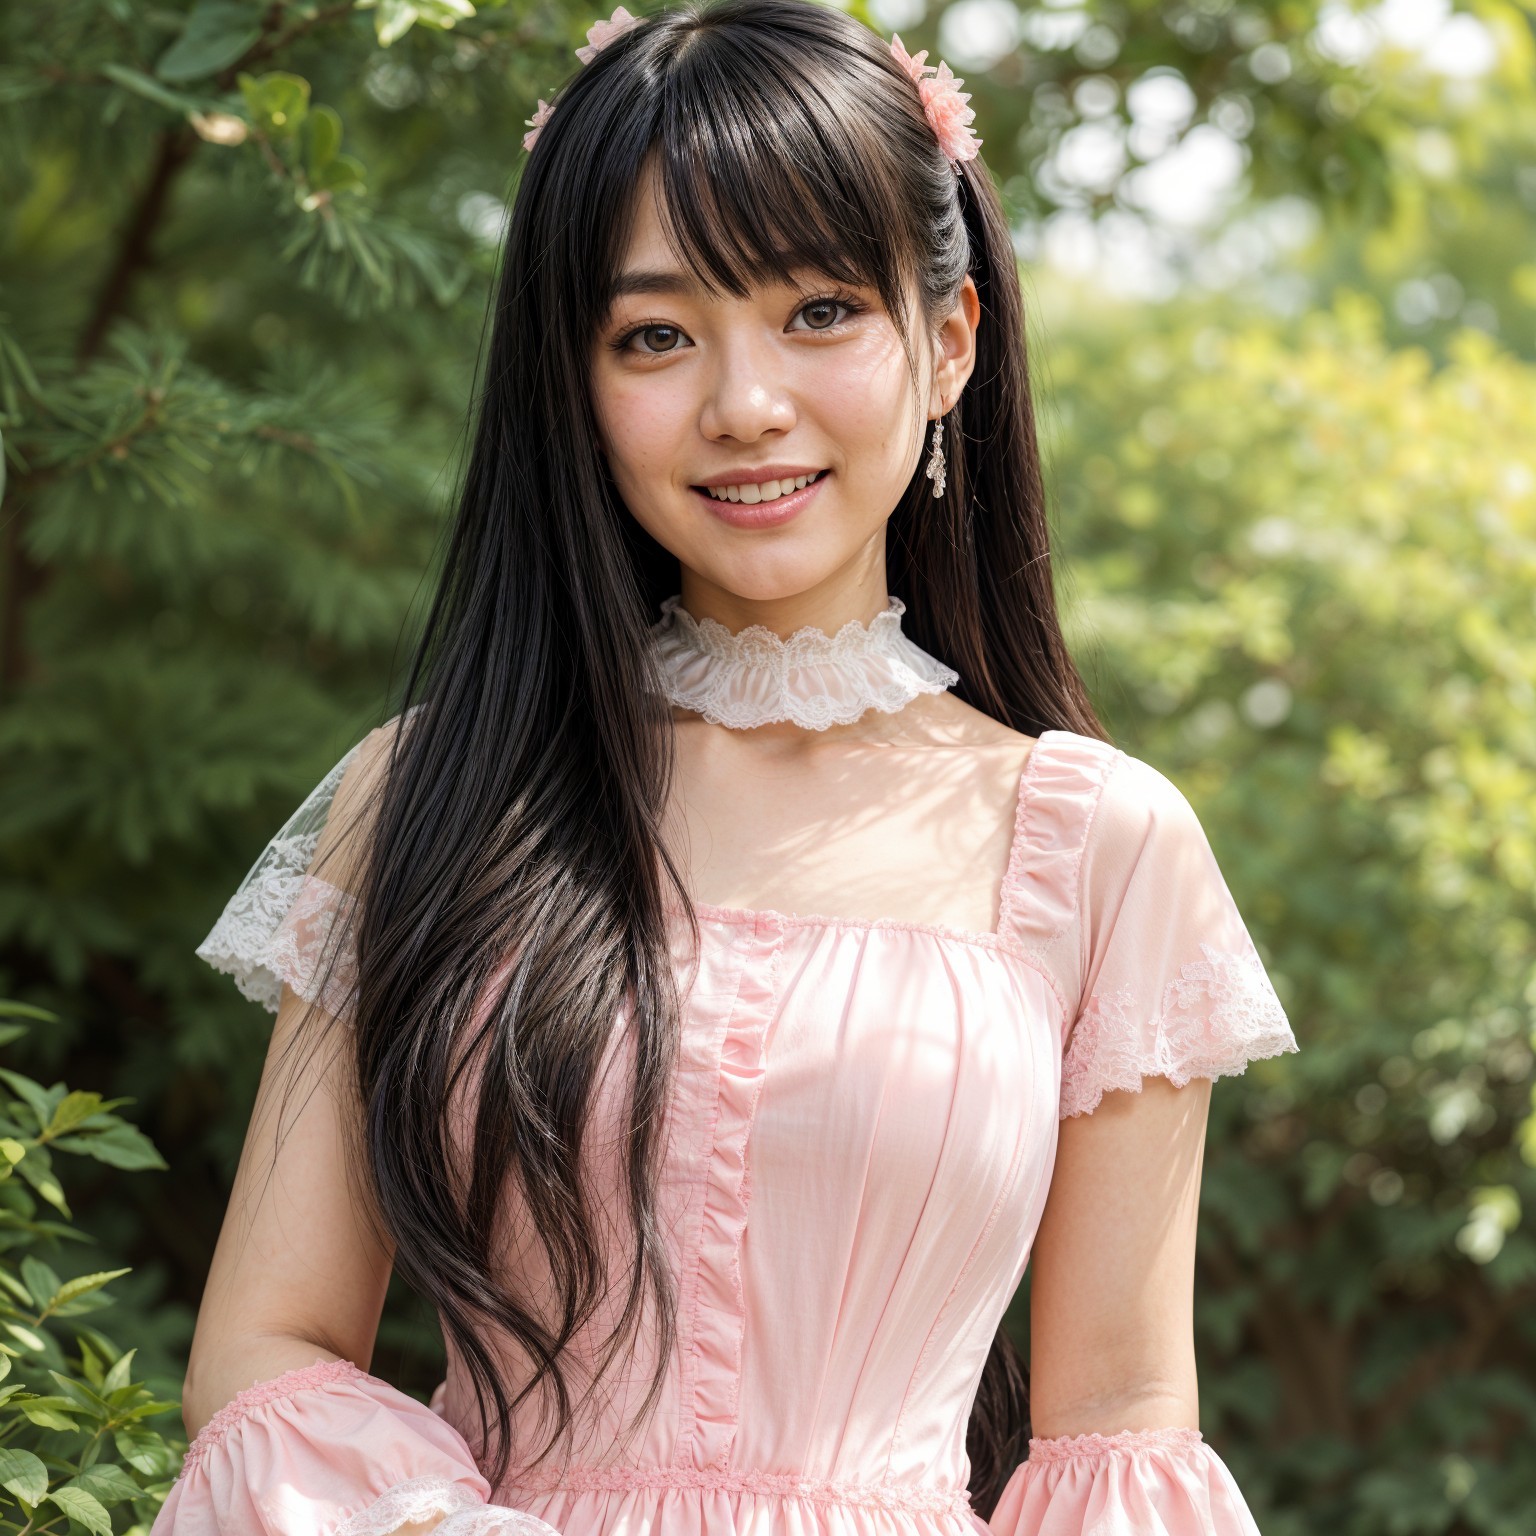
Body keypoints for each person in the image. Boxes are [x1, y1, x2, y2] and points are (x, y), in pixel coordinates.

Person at [155, 1, 1302, 1532]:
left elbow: (1119, 1428)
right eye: (655, 335)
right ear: (574, 380)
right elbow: (265, 1351)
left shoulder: (1098, 841)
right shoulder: (426, 798)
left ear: (949, 343)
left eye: (819, 310)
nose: (744, 405)